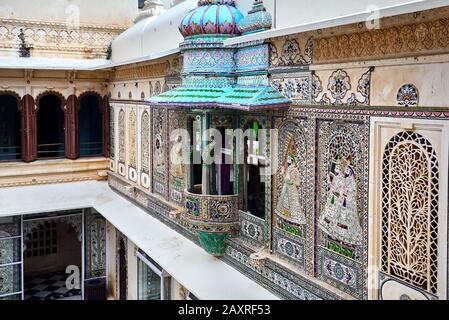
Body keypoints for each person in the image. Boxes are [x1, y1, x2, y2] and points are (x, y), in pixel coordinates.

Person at [318, 156, 363, 245]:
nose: (345, 171)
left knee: (343, 219)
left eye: (348, 170)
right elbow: (335, 188)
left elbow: (351, 193)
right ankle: (332, 232)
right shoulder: (339, 178)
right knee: (332, 215)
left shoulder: (350, 181)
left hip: (346, 204)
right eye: (345, 169)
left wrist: (345, 195)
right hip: (336, 200)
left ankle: (344, 239)